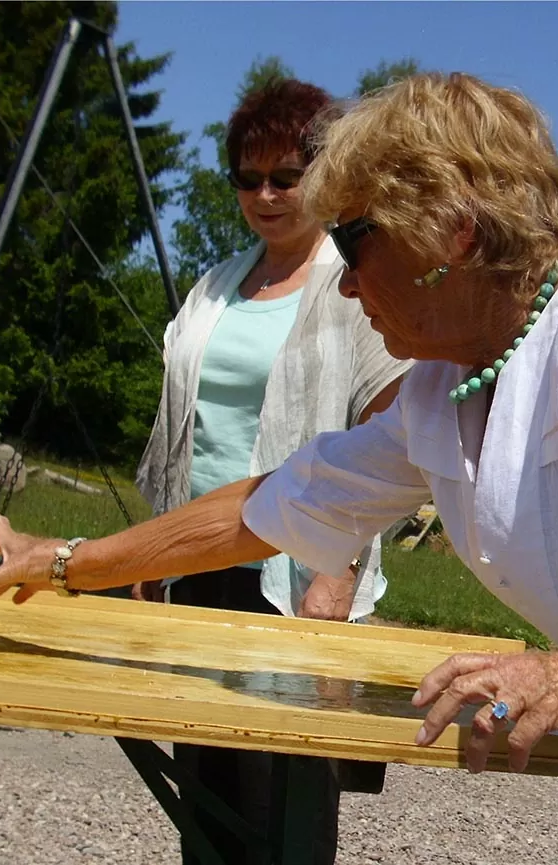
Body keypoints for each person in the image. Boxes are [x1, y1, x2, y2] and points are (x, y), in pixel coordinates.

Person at [0, 72, 558, 864]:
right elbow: (267, 508)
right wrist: (68, 561)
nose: (340, 285)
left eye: (351, 240)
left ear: (451, 231)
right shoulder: (444, 391)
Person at [131, 77, 412, 865]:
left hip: (297, 574)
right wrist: (154, 550)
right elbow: (177, 430)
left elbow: (386, 432)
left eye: (284, 176)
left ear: (321, 177)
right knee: (206, 780)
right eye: (248, 177)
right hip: (202, 557)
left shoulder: (354, 285)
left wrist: (339, 570)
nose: (264, 193)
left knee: (283, 790)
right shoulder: (215, 286)